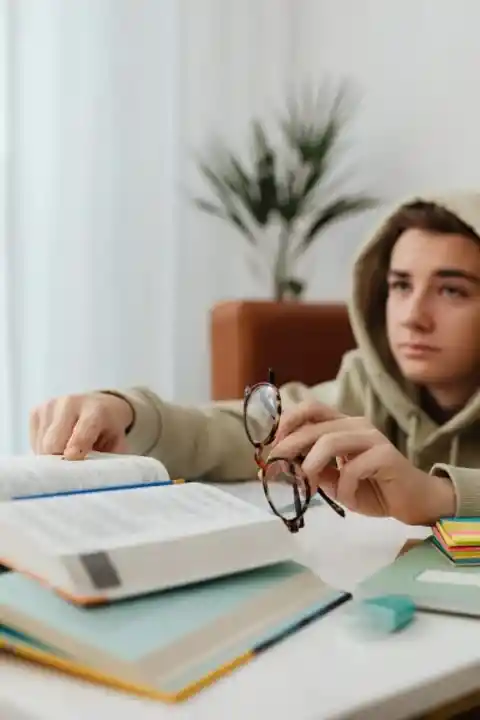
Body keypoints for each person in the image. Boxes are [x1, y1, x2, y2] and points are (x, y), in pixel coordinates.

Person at [30, 192, 480, 525]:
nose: (413, 317)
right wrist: (127, 412)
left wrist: (439, 495)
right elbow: (238, 432)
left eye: (452, 290)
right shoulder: (365, 383)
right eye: (400, 286)